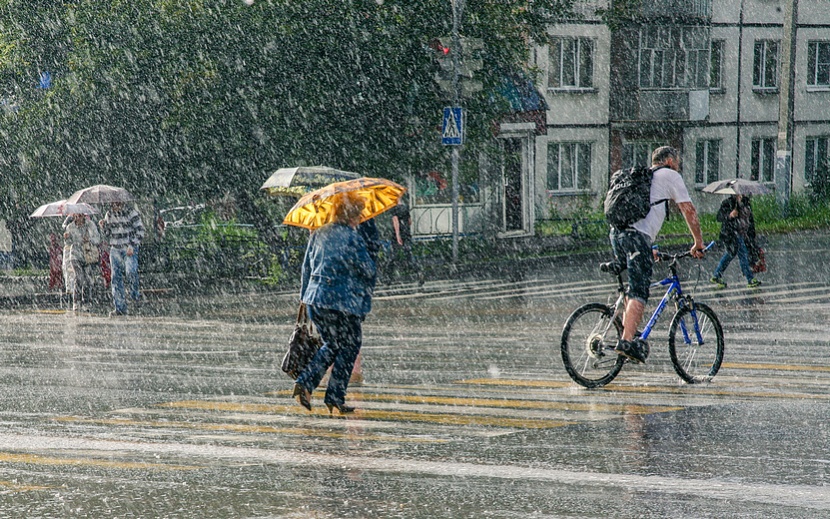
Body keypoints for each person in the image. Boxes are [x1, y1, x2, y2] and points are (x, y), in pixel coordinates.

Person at [609, 146, 705, 364]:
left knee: (630, 286)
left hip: (619, 234)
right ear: (670, 160)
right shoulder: (670, 175)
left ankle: (628, 332)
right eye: (678, 161)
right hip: (636, 238)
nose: (679, 165)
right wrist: (698, 242)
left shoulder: (644, 178)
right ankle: (625, 342)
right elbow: (688, 210)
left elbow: (643, 215)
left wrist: (648, 246)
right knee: (639, 291)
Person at [293, 191, 377, 414]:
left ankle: (307, 384)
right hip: (342, 302)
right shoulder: (352, 237)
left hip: (316, 301)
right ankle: (334, 395)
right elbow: (368, 270)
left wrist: (304, 297)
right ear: (354, 215)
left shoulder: (318, 234)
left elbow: (306, 269)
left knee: (332, 344)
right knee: (350, 345)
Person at [100, 202, 145, 316]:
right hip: (115, 249)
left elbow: (140, 230)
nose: (114, 205)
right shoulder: (109, 214)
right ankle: (119, 307)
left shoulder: (131, 213)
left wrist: (132, 245)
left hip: (128, 248)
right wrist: (104, 226)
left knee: (131, 271)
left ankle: (135, 295)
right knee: (115, 278)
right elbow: (108, 234)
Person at [710, 194, 761, 289]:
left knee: (730, 254)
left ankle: (716, 275)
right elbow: (719, 217)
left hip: (742, 234)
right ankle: (750, 279)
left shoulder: (746, 202)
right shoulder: (728, 203)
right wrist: (730, 215)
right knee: (743, 255)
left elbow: (750, 220)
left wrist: (751, 235)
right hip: (731, 234)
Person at [63, 213, 101, 311]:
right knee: (79, 277)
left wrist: (89, 239)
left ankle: (86, 301)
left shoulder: (90, 225)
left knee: (88, 279)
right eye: (76, 215)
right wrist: (67, 238)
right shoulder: (70, 227)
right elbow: (68, 243)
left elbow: (97, 239)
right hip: (75, 255)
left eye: (80, 215)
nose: (78, 218)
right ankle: (76, 301)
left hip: (87, 255)